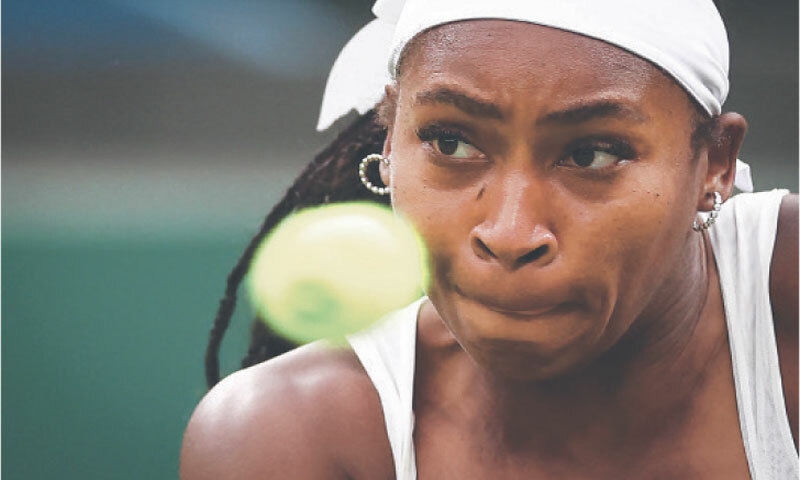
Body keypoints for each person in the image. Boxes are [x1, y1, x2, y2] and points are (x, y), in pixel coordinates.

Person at [180, 1, 798, 478]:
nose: (510, 234)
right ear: (390, 142)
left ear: (715, 164)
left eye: (593, 154)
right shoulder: (281, 440)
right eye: (450, 143)